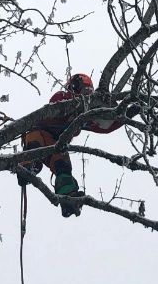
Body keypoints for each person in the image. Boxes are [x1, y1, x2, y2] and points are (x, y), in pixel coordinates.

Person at [19, 72, 138, 200]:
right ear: (74, 87)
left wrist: (125, 114)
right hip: (39, 133)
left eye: (89, 91)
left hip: (57, 144)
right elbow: (56, 103)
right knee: (35, 144)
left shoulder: (85, 117)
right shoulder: (62, 97)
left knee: (63, 166)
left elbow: (105, 127)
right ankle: (28, 166)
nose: (87, 94)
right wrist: (81, 105)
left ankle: (69, 197)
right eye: (85, 90)